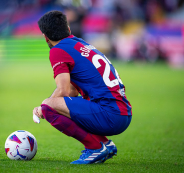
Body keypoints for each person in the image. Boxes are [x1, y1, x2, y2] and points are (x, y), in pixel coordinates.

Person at [33, 11, 132, 164]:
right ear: (68, 28)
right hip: (122, 113)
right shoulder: (80, 43)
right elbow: (71, 91)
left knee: (48, 107)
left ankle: (95, 147)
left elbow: (63, 91)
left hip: (110, 114)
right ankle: (105, 144)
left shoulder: (57, 50)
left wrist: (43, 107)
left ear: (46, 37)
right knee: (56, 105)